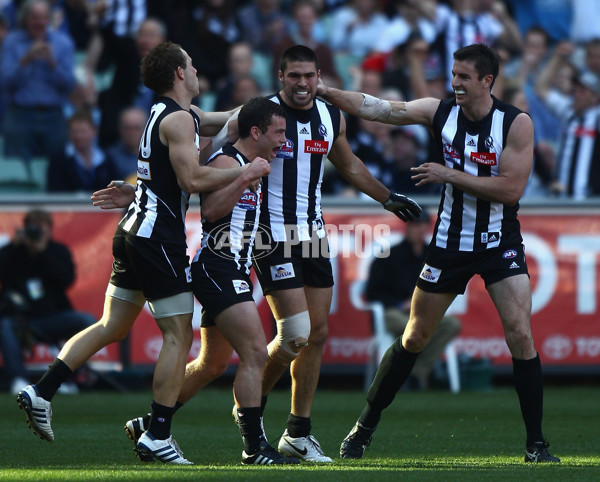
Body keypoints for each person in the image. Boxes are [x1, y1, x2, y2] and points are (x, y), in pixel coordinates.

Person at [114, 44, 422, 464]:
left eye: (309, 76)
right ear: (280, 77)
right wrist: (149, 190)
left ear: (319, 77)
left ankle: (296, 431)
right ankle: (249, 415)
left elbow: (349, 165)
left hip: (311, 234)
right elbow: (204, 162)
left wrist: (388, 199)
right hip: (268, 236)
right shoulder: (254, 115)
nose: (302, 83)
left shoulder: (331, 116)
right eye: (293, 76)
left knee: (312, 336)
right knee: (294, 333)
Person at [16, 41, 269, 466]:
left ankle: (41, 390)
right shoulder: (177, 121)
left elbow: (218, 121)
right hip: (157, 238)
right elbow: (189, 179)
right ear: (178, 74)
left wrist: (270, 104)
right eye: (189, 63)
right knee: (178, 335)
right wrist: (245, 171)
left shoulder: (168, 114)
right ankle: (158, 436)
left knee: (112, 325)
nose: (195, 67)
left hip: (133, 228)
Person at [317, 42, 560, 463]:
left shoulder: (515, 124)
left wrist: (449, 173)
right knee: (414, 336)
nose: (455, 84)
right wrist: (326, 92)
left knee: (521, 334)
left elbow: (510, 189)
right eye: (453, 75)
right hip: (448, 243)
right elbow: (379, 108)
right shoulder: (440, 111)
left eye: (464, 77)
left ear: (487, 81)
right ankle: (362, 429)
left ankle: (537, 445)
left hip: (499, 242)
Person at [0, 209, 95, 395]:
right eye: (32, 228)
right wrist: (14, 246)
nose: (36, 233)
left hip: (54, 317)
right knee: (4, 324)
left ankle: (69, 378)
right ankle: (18, 379)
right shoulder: (14, 251)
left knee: (87, 321)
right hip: (21, 319)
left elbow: (66, 280)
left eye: (40, 229)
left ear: (50, 231)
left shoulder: (58, 251)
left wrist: (42, 252)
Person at [365, 210, 461, 390]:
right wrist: (401, 304)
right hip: (392, 311)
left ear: (427, 227)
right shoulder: (389, 256)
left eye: (422, 225)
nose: (418, 229)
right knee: (414, 329)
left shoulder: (433, 256)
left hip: (423, 311)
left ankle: (415, 374)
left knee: (451, 325)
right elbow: (373, 292)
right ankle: (409, 374)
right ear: (407, 227)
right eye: (415, 225)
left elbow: (444, 286)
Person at [0, 0, 76, 162]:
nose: (39, 22)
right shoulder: (12, 42)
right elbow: (4, 83)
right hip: (20, 114)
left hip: (54, 114)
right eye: (34, 17)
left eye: (43, 17)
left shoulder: (63, 43)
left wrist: (52, 63)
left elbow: (69, 85)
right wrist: (25, 60)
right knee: (16, 167)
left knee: (58, 165)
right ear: (25, 19)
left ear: (48, 19)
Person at [534, 41, 600, 200]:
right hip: (561, 202)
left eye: (583, 91)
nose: (576, 94)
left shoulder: (597, 118)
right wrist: (559, 57)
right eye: (575, 90)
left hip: (591, 204)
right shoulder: (568, 111)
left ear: (595, 97)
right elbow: (541, 87)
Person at [46, 109, 120, 193]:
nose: (79, 136)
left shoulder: (106, 158)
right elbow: (55, 191)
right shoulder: (58, 160)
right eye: (75, 131)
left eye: (83, 131)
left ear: (94, 131)